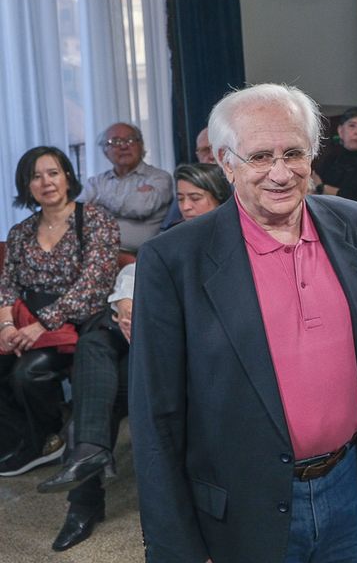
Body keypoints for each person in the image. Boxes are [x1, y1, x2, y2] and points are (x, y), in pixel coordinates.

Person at [129, 83, 357, 563]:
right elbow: (156, 418)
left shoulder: (352, 222)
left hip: (351, 487)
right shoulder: (174, 260)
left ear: (312, 154)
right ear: (225, 162)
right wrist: (178, 549)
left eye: (293, 153)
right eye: (259, 157)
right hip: (243, 507)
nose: (280, 173)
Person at [37, 163, 231, 552]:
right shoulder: (173, 236)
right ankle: (88, 469)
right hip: (149, 352)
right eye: (181, 199)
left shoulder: (230, 243)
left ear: (220, 200)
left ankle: (87, 477)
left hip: (190, 359)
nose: (186, 207)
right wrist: (125, 300)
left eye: (196, 198)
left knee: (99, 383)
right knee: (96, 350)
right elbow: (138, 267)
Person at [0, 147, 119, 477]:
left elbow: (94, 285)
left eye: (53, 173)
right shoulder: (21, 232)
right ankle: (23, 438)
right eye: (35, 176)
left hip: (79, 321)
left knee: (26, 374)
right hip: (27, 321)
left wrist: (43, 324)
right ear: (26, 185)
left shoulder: (95, 220)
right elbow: (8, 285)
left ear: (67, 176)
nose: (46, 182)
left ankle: (46, 439)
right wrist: (6, 325)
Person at [79, 122, 173, 252]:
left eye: (130, 140)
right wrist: (130, 198)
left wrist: (99, 199)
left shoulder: (159, 178)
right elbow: (78, 212)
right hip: (95, 252)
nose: (123, 146)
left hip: (139, 255)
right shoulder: (95, 182)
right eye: (115, 142)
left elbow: (140, 208)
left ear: (141, 146)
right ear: (105, 151)